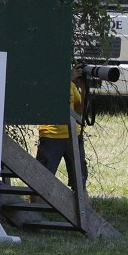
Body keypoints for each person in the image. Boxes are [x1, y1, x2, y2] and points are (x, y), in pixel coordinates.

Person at [35, 63, 88, 191]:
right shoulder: (47, 79)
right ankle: (35, 211)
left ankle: (84, 211)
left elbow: (79, 110)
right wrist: (67, 79)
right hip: (52, 135)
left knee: (80, 183)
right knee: (40, 182)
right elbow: (48, 101)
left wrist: (84, 89)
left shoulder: (71, 85)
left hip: (73, 135)